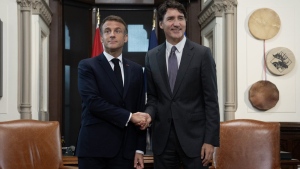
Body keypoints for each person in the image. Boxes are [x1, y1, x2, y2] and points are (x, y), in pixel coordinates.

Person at [141, 1, 220, 169]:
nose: (176, 23)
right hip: (163, 140)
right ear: (161, 24)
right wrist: (148, 114)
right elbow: (153, 98)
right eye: (170, 19)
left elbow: (211, 101)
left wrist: (210, 141)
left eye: (180, 18)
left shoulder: (202, 54)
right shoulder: (151, 56)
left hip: (196, 141)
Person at [76, 15, 147, 169]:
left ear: (126, 37)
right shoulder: (87, 66)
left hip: (126, 152)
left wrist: (140, 149)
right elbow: (93, 102)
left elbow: (140, 109)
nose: (112, 34)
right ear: (101, 38)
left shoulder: (136, 70)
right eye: (107, 31)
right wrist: (129, 116)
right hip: (94, 150)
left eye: (117, 31)